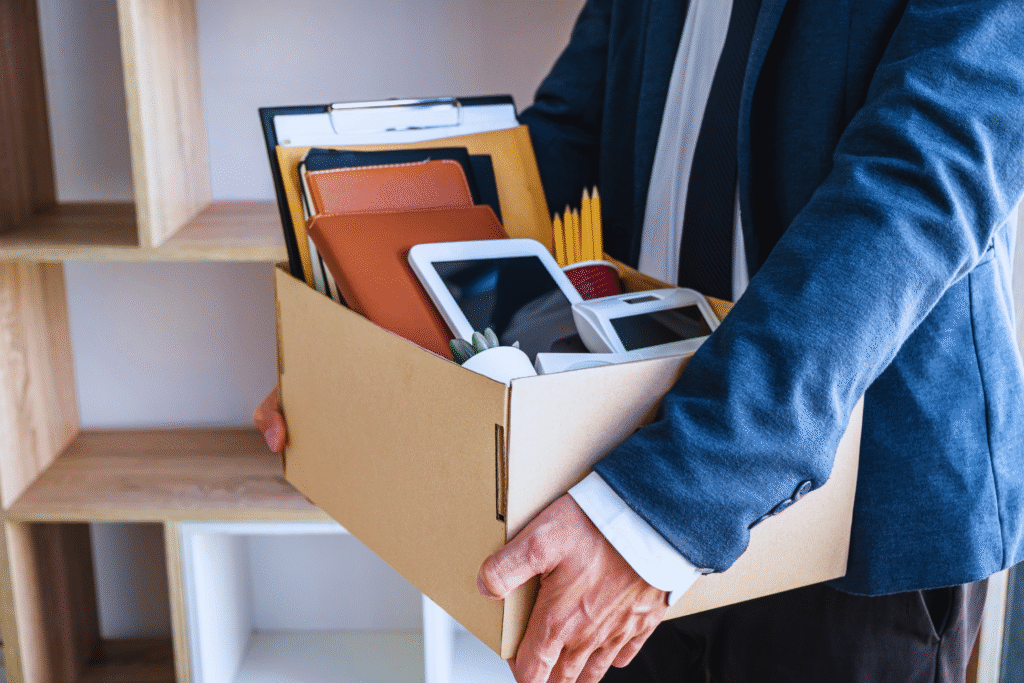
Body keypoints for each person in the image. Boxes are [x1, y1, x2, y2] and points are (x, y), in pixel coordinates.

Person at [257, 0, 1024, 680]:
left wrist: (660, 511)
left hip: (842, 512)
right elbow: (571, 131)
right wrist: (371, 355)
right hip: (616, 446)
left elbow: (921, 179)